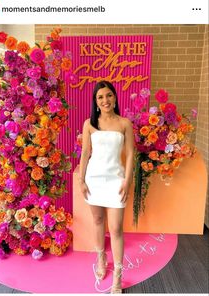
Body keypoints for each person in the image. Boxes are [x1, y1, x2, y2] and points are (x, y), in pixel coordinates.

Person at [79, 80, 134, 293]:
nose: (105, 100)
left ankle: (118, 278)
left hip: (116, 181)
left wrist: (127, 181)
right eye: (100, 97)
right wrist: (81, 180)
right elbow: (85, 153)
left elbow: (130, 154)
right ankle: (101, 260)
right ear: (95, 101)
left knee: (117, 228)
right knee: (98, 220)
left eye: (109, 95)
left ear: (115, 97)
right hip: (94, 180)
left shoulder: (124, 123)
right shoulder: (89, 124)